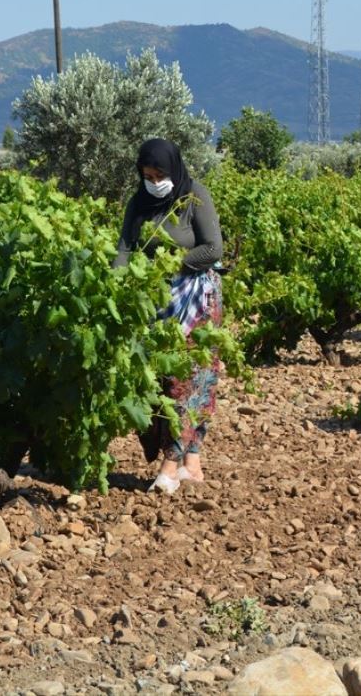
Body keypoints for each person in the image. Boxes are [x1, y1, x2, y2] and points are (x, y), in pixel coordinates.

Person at [114, 138, 223, 493]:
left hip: (195, 302)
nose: (153, 179)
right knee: (155, 382)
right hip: (154, 302)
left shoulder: (195, 198)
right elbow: (126, 247)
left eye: (159, 173)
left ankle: (170, 463)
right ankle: (192, 463)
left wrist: (172, 263)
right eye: (147, 174)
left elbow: (212, 248)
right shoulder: (140, 203)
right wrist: (116, 285)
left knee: (187, 384)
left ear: (173, 170)